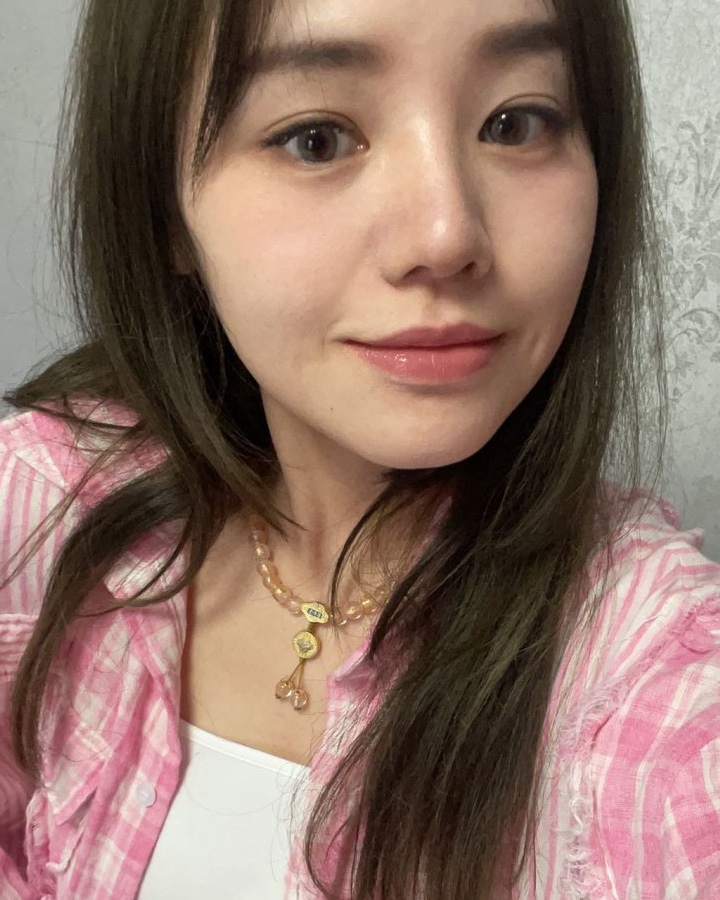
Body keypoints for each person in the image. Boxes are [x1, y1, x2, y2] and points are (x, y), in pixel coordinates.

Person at [1, 0, 719, 896]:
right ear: (166, 214)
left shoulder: (654, 677)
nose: (445, 237)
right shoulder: (48, 499)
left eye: (516, 122)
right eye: (317, 139)